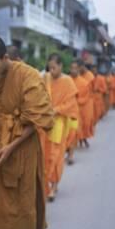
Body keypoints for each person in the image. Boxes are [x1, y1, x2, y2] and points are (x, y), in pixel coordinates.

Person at [0, 36, 54, 229]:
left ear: (6, 58)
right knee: (1, 202)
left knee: (18, 202)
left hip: (23, 146)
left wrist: (11, 147)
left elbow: (36, 120)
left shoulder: (28, 75)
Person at [43, 53, 79, 201]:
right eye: (50, 68)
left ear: (60, 66)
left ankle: (53, 186)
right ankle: (47, 185)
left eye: (54, 67)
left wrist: (56, 110)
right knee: (46, 156)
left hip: (58, 123)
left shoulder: (68, 81)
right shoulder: (45, 79)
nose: (51, 71)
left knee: (56, 156)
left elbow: (71, 104)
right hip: (45, 123)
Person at [68, 60, 91, 163]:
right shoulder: (65, 80)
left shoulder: (84, 83)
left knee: (72, 134)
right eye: (71, 68)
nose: (73, 70)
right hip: (64, 111)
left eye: (75, 68)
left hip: (76, 112)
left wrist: (74, 100)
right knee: (65, 135)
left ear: (79, 69)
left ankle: (71, 156)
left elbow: (84, 99)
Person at [78, 60, 96, 146]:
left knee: (86, 121)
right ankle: (81, 139)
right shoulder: (78, 76)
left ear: (83, 66)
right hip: (78, 102)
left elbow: (93, 90)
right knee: (79, 122)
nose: (77, 69)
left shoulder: (90, 76)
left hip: (87, 102)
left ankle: (84, 138)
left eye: (79, 67)